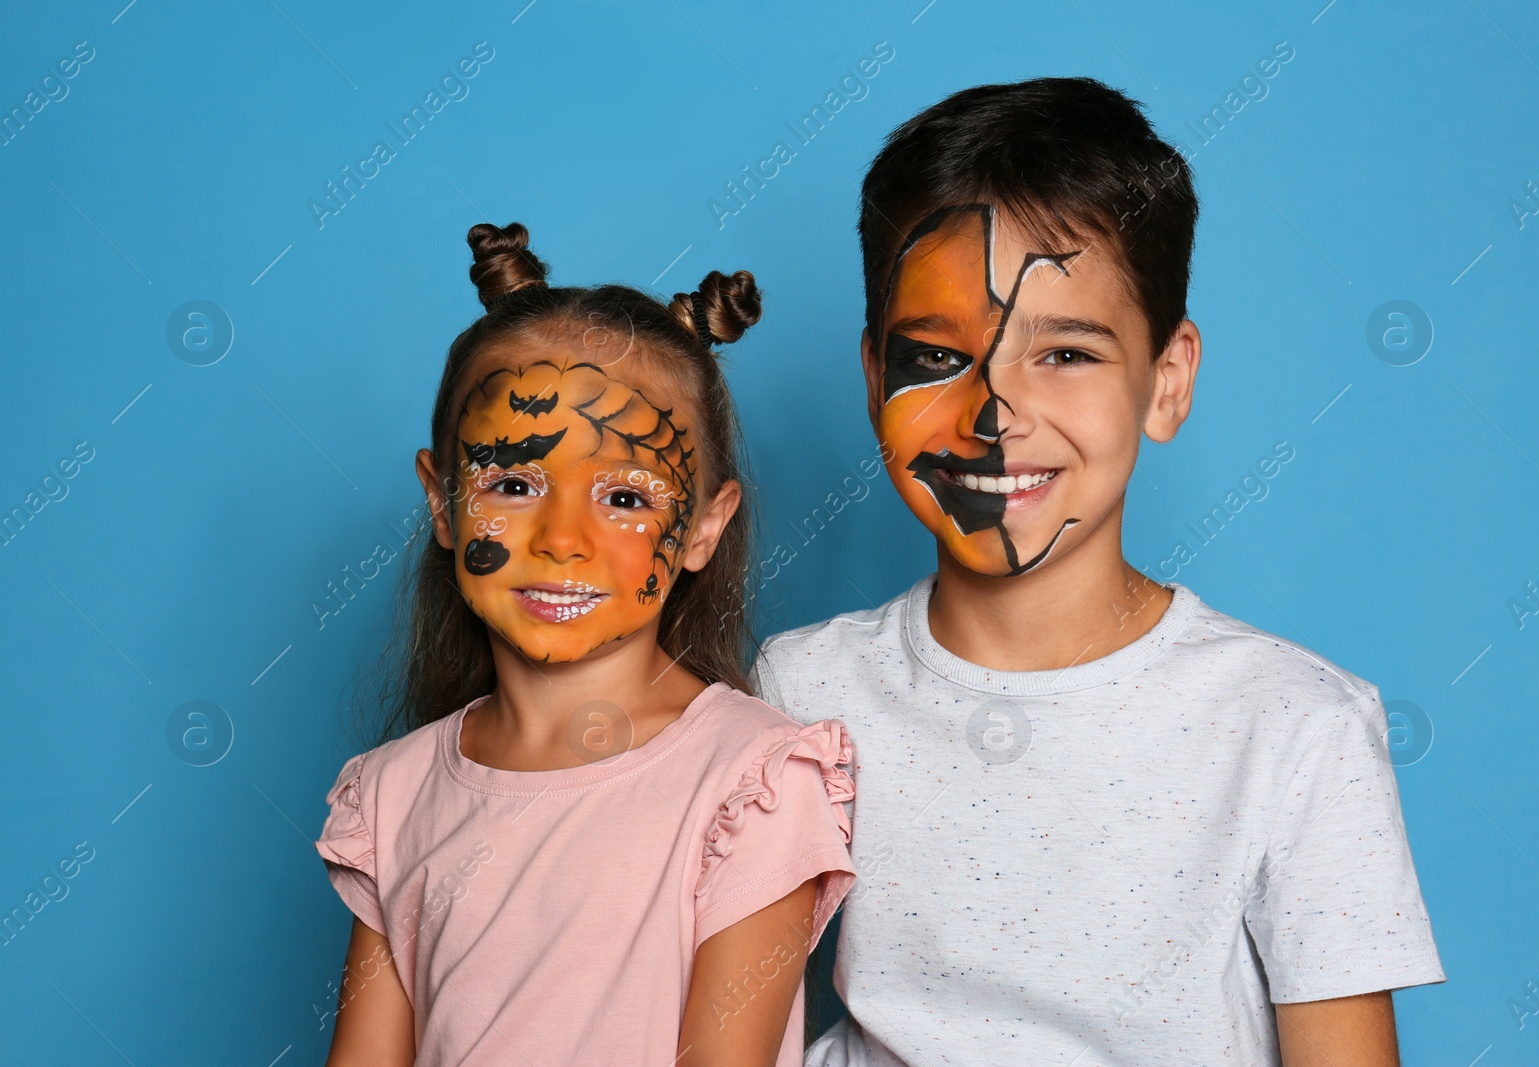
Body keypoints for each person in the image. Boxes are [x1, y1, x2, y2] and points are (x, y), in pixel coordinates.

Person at [753, 78, 1445, 1066]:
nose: (995, 412)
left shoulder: (1296, 724)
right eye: (936, 355)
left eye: (1066, 352)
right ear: (873, 380)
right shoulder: (798, 689)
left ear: (1167, 380)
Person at [312, 222, 856, 1067]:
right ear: (444, 502)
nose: (563, 538)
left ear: (705, 525)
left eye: (627, 497)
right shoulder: (390, 796)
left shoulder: (752, 782)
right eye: (515, 482)